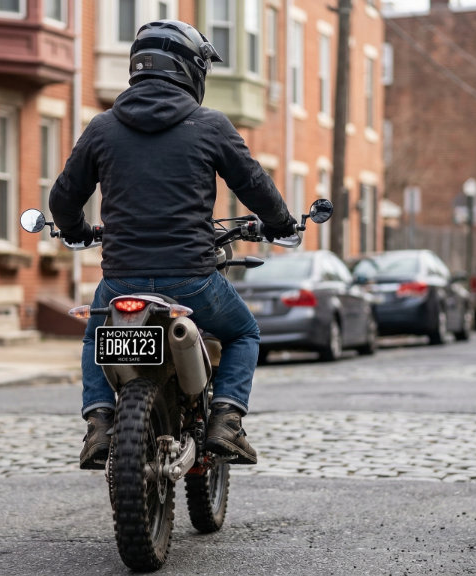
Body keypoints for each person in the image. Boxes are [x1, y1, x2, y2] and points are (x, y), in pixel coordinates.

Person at [48, 19, 297, 470]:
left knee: (94, 337)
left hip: (120, 278)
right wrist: (279, 223)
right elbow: (254, 184)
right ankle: (226, 421)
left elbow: (64, 197)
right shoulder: (209, 125)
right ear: (189, 69)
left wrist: (77, 230)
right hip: (192, 280)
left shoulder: (102, 127)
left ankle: (99, 425)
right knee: (245, 332)